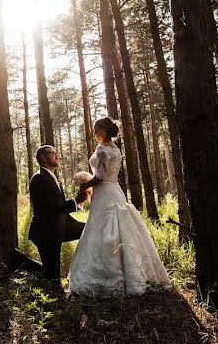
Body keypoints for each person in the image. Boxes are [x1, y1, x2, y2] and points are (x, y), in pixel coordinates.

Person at [68, 117, 171, 295]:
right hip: (115, 190)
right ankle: (131, 273)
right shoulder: (116, 149)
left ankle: (107, 277)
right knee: (121, 230)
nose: (94, 133)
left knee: (102, 230)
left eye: (97, 129)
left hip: (104, 193)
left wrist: (85, 185)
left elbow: (100, 176)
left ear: (105, 131)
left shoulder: (102, 149)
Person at [20, 144, 90, 282]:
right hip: (46, 233)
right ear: (43, 158)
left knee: (89, 229)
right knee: (53, 278)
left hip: (60, 227)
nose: (57, 155)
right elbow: (49, 207)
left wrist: (77, 204)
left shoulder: (52, 177)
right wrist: (75, 202)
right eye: (53, 153)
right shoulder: (39, 178)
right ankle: (20, 260)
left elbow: (60, 209)